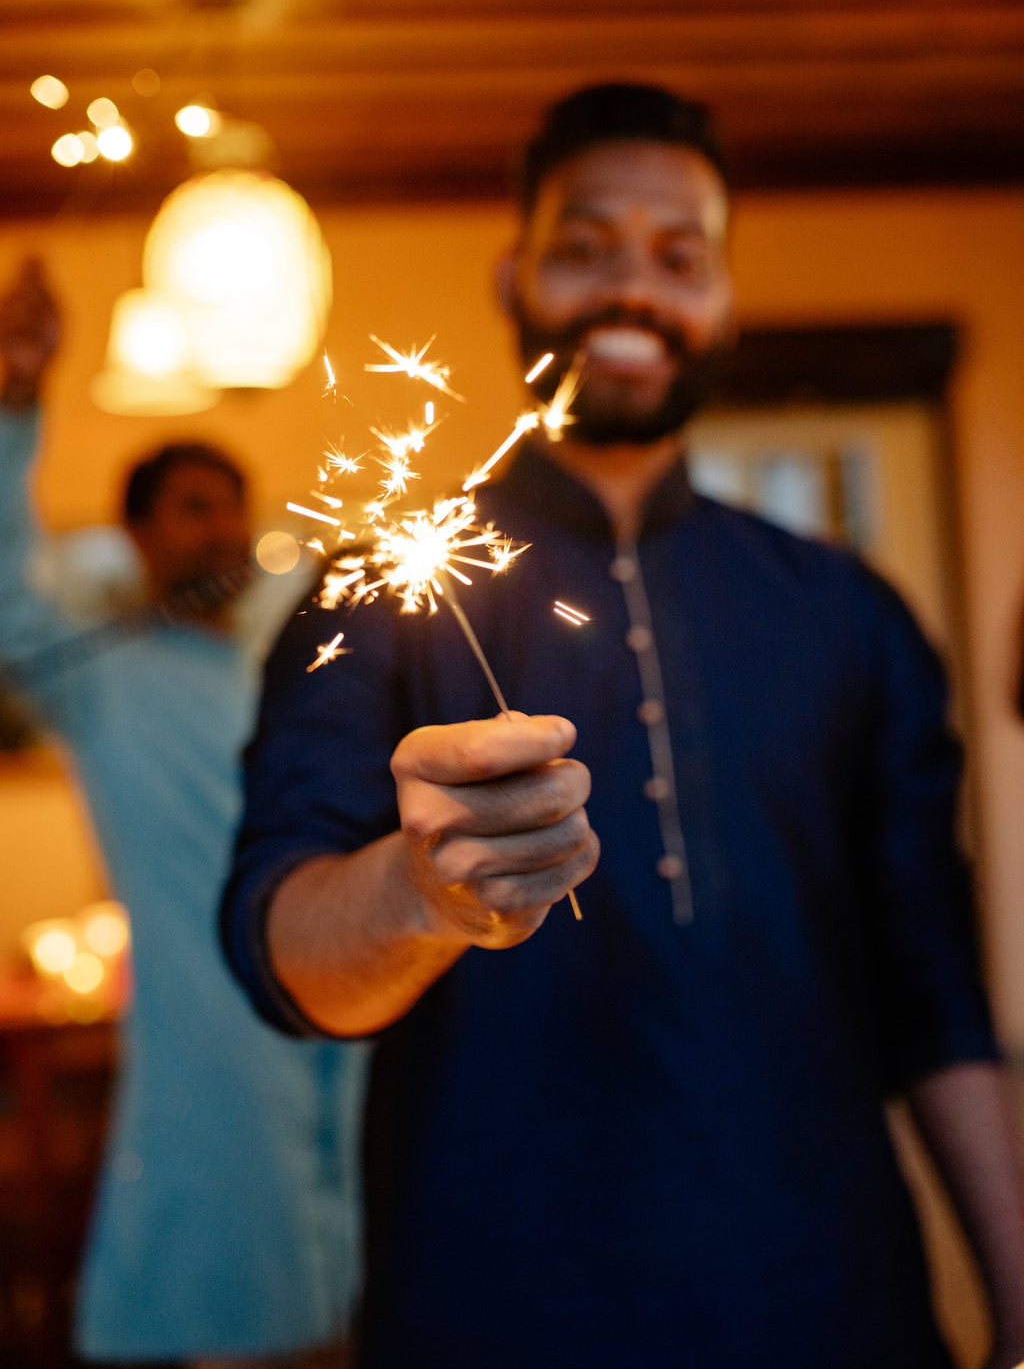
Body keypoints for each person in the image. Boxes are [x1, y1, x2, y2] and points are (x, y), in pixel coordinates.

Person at [220, 84, 1024, 1368]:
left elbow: (935, 992)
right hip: (489, 1316)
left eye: (678, 257)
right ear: (513, 274)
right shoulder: (370, 602)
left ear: (724, 300)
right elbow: (281, 950)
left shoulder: (848, 616)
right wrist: (420, 893)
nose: (629, 292)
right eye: (583, 247)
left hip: (833, 1304)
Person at [0, 257, 366, 1368]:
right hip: (206, 1031)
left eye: (233, 512)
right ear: (145, 535)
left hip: (347, 1006)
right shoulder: (105, 676)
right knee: (225, 1288)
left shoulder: (285, 669)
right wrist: (16, 401)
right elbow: (11, 602)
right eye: (195, 512)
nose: (221, 534)